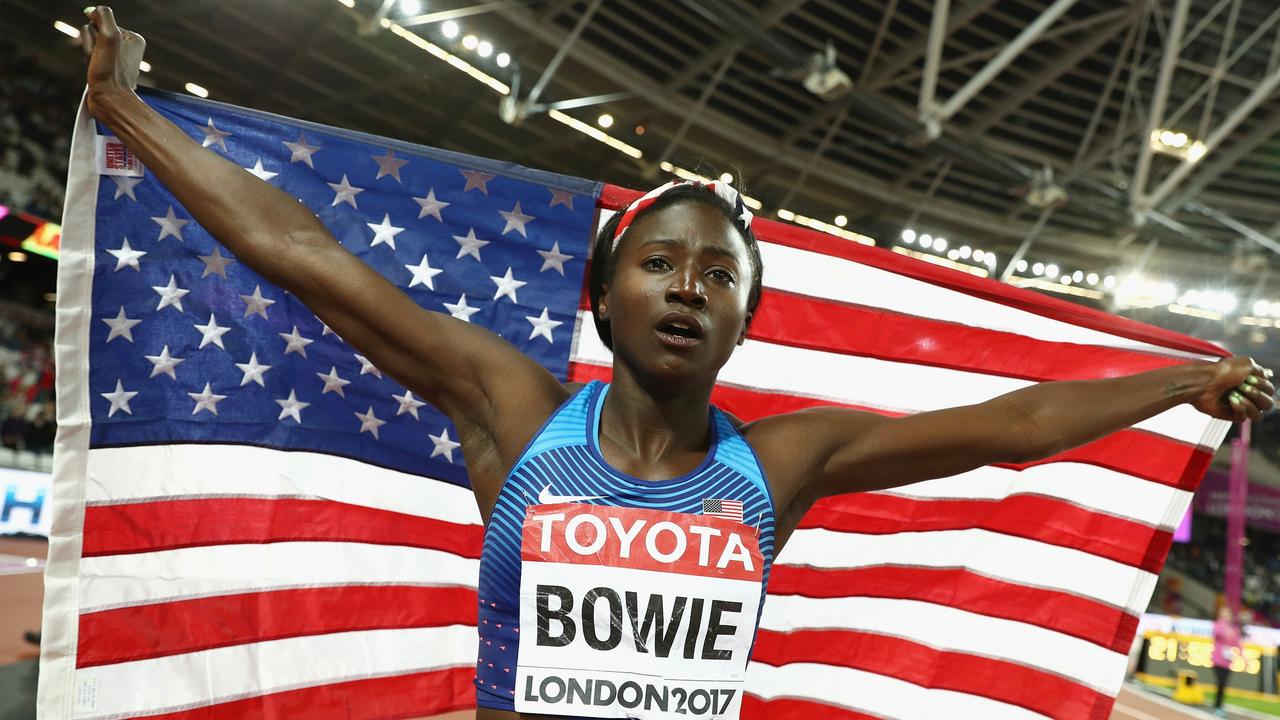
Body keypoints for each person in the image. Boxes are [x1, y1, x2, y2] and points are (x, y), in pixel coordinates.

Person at [79, 7, 1277, 719]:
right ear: (602, 296)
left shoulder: (785, 459)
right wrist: (129, 114)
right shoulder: (511, 408)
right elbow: (304, 252)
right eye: (658, 264)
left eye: (717, 277)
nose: (687, 286)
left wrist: (1181, 382)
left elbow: (1008, 427)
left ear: (741, 328)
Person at [1212, 606, 1243, 716]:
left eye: (1228, 614)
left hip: (1227, 662)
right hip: (1217, 661)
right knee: (1221, 683)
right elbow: (1217, 633)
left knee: (1223, 685)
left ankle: (1218, 706)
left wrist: (1242, 656)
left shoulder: (1234, 630)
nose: (1226, 616)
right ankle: (1217, 706)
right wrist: (1224, 623)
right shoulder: (1218, 625)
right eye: (1223, 614)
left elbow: (1238, 644)